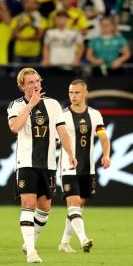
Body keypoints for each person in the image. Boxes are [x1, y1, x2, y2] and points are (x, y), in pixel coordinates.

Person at [7, 67, 77, 263]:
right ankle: (31, 251)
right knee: (28, 204)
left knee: (45, 208)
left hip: (48, 164)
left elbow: (62, 131)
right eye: (30, 82)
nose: (35, 85)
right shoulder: (15, 105)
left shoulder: (53, 105)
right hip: (26, 162)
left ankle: (30, 241)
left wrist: (70, 153)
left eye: (37, 81)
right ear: (22, 86)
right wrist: (30, 106)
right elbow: (14, 127)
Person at [58, 79, 111, 253]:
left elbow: (103, 136)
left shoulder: (95, 115)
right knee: (73, 205)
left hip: (88, 168)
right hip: (68, 166)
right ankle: (84, 240)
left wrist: (106, 155)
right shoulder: (63, 116)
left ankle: (64, 243)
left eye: (77, 92)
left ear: (85, 93)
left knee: (78, 207)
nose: (73, 96)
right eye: (70, 93)